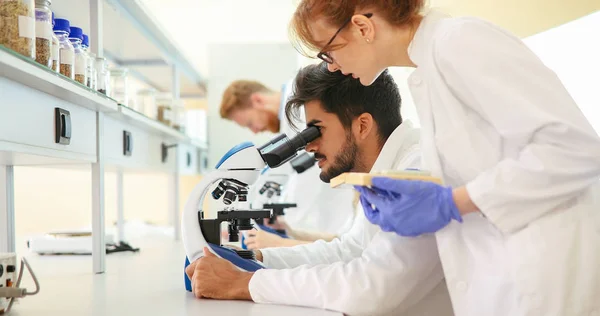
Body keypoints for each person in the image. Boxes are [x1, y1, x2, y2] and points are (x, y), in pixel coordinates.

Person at [289, 1, 600, 316]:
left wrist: (451, 202)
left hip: (546, 284)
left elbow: (571, 148)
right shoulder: (429, 70)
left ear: (363, 27)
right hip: (506, 286)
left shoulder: (460, 41)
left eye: (329, 51)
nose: (331, 66)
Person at [186, 63, 453, 316]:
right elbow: (348, 251)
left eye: (317, 130)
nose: (309, 146)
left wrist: (245, 283)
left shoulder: (416, 169)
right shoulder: (385, 169)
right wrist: (256, 258)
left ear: (362, 125)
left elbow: (372, 286)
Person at [220, 80, 356, 245]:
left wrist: (280, 235)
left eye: (250, 123)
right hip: (327, 224)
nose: (254, 131)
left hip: (339, 214)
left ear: (258, 101)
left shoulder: (299, 108)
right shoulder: (288, 123)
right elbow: (281, 174)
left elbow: (307, 178)